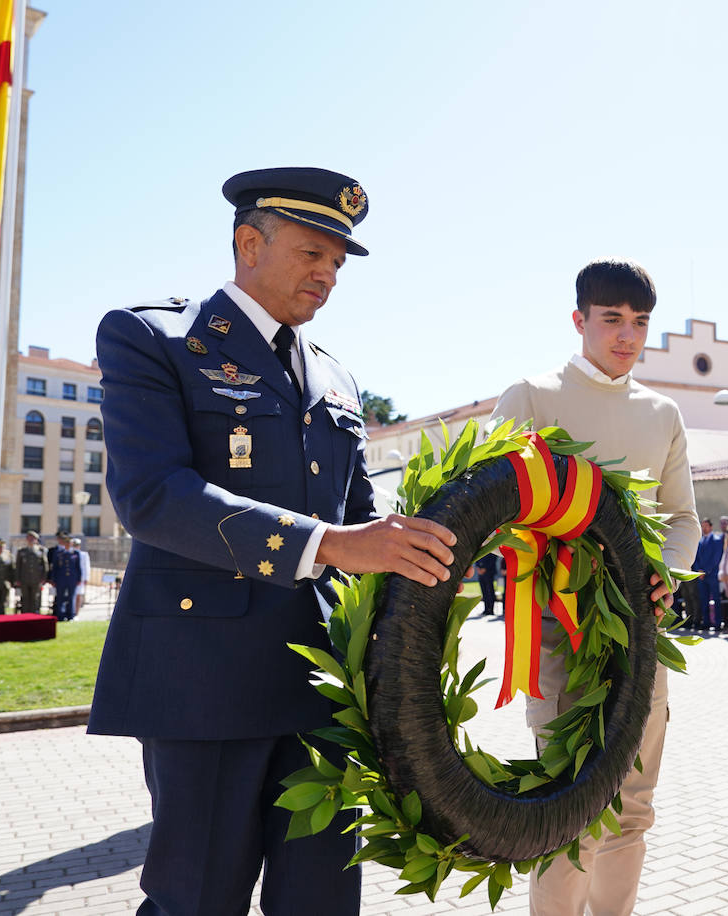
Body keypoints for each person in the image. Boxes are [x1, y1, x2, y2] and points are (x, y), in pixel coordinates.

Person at [87, 168, 458, 916]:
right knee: (198, 900)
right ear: (248, 242)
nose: (327, 275)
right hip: (203, 682)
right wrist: (333, 543)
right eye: (312, 253)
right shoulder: (155, 338)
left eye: (338, 262)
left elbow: (363, 516)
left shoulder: (336, 378)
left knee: (322, 903)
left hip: (322, 691)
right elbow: (154, 496)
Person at [491, 257, 699, 916]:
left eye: (639, 322)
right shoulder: (531, 396)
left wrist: (665, 571)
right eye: (612, 319)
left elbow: (684, 517)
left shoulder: (662, 413)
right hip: (558, 630)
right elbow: (491, 507)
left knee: (633, 805)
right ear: (579, 320)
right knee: (568, 803)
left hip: (640, 633)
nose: (627, 336)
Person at [691, 518, 724, 631]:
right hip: (701, 575)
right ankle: (706, 622)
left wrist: (706, 571)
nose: (704, 528)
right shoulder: (699, 541)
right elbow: (695, 558)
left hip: (712, 575)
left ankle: (718, 623)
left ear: (711, 527)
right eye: (702, 526)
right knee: (703, 599)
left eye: (706, 526)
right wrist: (698, 571)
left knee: (716, 600)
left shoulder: (716, 539)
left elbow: (716, 558)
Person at [15, 531, 48, 615]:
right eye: (29, 538)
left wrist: (43, 578)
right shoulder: (22, 551)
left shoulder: (41, 550)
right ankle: (25, 615)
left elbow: (45, 565)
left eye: (33, 538)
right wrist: (17, 579)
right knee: (25, 598)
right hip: (24, 579)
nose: (31, 540)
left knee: (35, 598)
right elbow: (18, 566)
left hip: (36, 579)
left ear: (36, 540)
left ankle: (35, 614)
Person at [46, 530, 70, 615]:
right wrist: (50, 578)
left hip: (68, 579)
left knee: (67, 597)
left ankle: (67, 613)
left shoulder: (71, 551)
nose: (62, 540)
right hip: (57, 578)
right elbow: (49, 566)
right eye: (60, 538)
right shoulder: (52, 551)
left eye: (64, 539)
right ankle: (57, 612)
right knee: (57, 597)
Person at [0, 538, 15, 614]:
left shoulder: (9, 556)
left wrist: (12, 581)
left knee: (3, 601)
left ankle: (1, 615)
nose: (0, 549)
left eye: (2, 547)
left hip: (5, 583)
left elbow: (12, 570)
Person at [71, 537, 92, 619]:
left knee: (78, 596)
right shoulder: (70, 553)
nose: (75, 546)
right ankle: (71, 612)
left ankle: (76, 613)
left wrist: (86, 578)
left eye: (77, 545)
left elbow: (87, 567)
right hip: (72, 578)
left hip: (81, 579)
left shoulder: (84, 555)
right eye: (74, 545)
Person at [474, 549, 500, 615]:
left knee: (490, 591)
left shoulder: (491, 547)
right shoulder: (480, 548)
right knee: (484, 591)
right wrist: (478, 567)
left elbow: (493, 558)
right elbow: (477, 558)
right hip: (480, 573)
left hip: (489, 572)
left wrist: (485, 568)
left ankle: (490, 610)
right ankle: (486, 609)